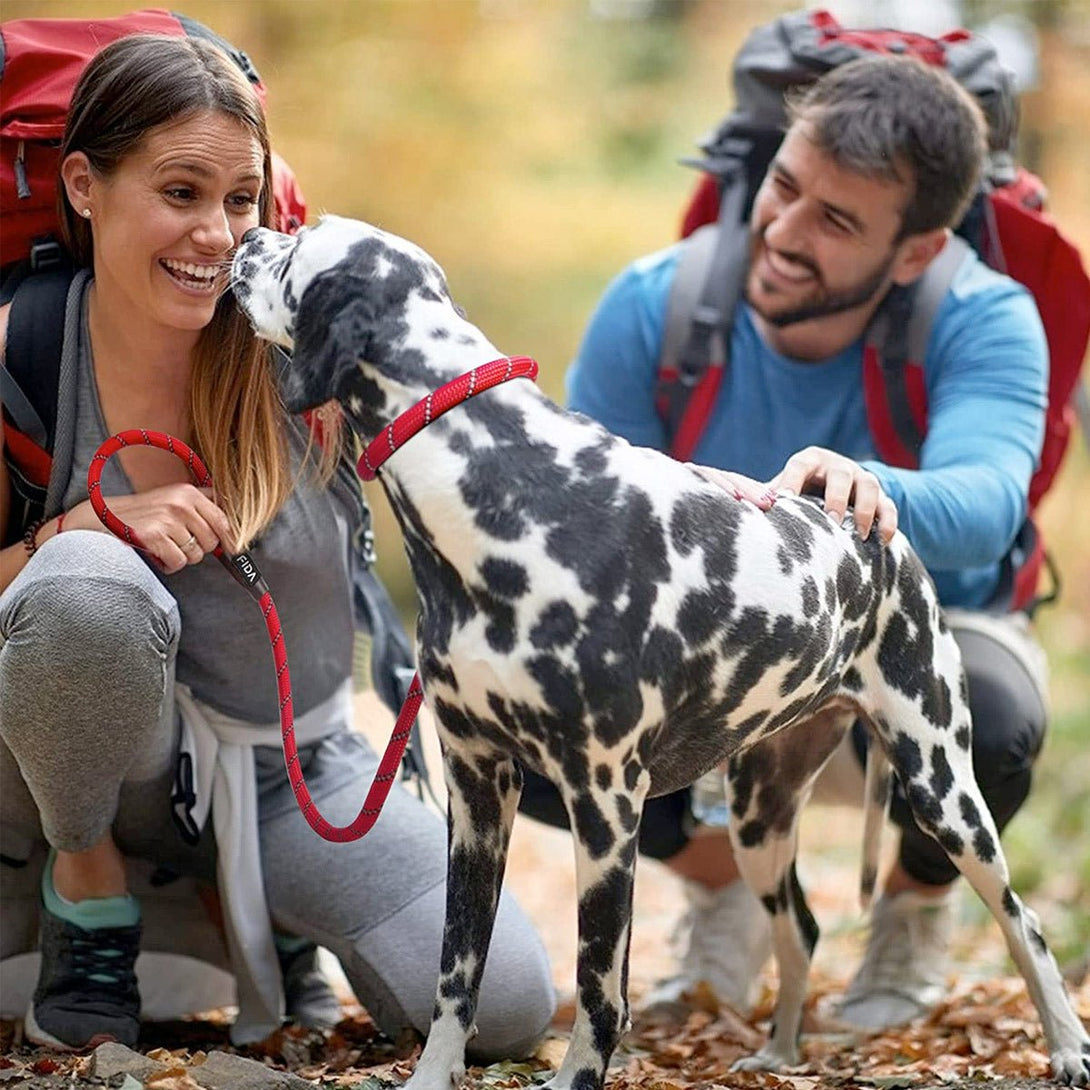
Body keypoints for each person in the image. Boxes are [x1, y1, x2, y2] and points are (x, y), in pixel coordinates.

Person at [0, 33, 554, 1054]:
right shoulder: (21, 348)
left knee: (507, 1007)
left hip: (290, 773)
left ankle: (270, 917)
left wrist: (726, 499)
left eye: (242, 198)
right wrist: (76, 527)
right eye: (180, 191)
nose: (216, 234)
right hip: (64, 780)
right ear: (82, 184)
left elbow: (517, 458)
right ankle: (87, 902)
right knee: (85, 583)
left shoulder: (312, 346)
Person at [519, 53, 1049, 1031]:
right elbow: (580, 517)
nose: (784, 233)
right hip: (721, 665)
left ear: (914, 252)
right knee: (530, 718)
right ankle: (729, 895)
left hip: (920, 646)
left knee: (1000, 714)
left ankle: (912, 910)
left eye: (836, 221)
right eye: (785, 188)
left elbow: (988, 503)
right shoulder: (656, 305)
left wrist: (870, 493)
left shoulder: (985, 317)